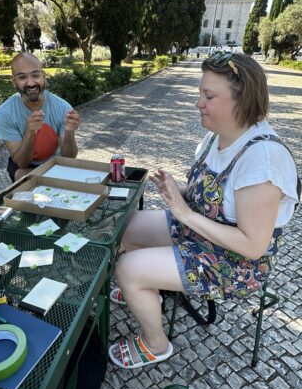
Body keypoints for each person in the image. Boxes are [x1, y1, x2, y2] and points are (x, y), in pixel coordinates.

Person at [109, 52, 299, 369]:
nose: (199, 102)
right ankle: (149, 290)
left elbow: (253, 246)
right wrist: (177, 193)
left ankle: (156, 344)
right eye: (201, 92)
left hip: (233, 263)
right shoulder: (216, 137)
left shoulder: (262, 159)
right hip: (200, 231)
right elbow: (212, 198)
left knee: (126, 268)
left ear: (241, 102)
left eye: (209, 96)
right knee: (128, 226)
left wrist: (185, 214)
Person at [0, 52, 80, 182]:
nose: (30, 83)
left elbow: (69, 157)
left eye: (35, 75)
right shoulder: (4, 113)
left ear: (44, 77)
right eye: (22, 77)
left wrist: (69, 132)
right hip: (24, 167)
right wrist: (29, 132)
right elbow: (21, 163)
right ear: (14, 81)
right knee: (24, 178)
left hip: (55, 164)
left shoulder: (63, 107)